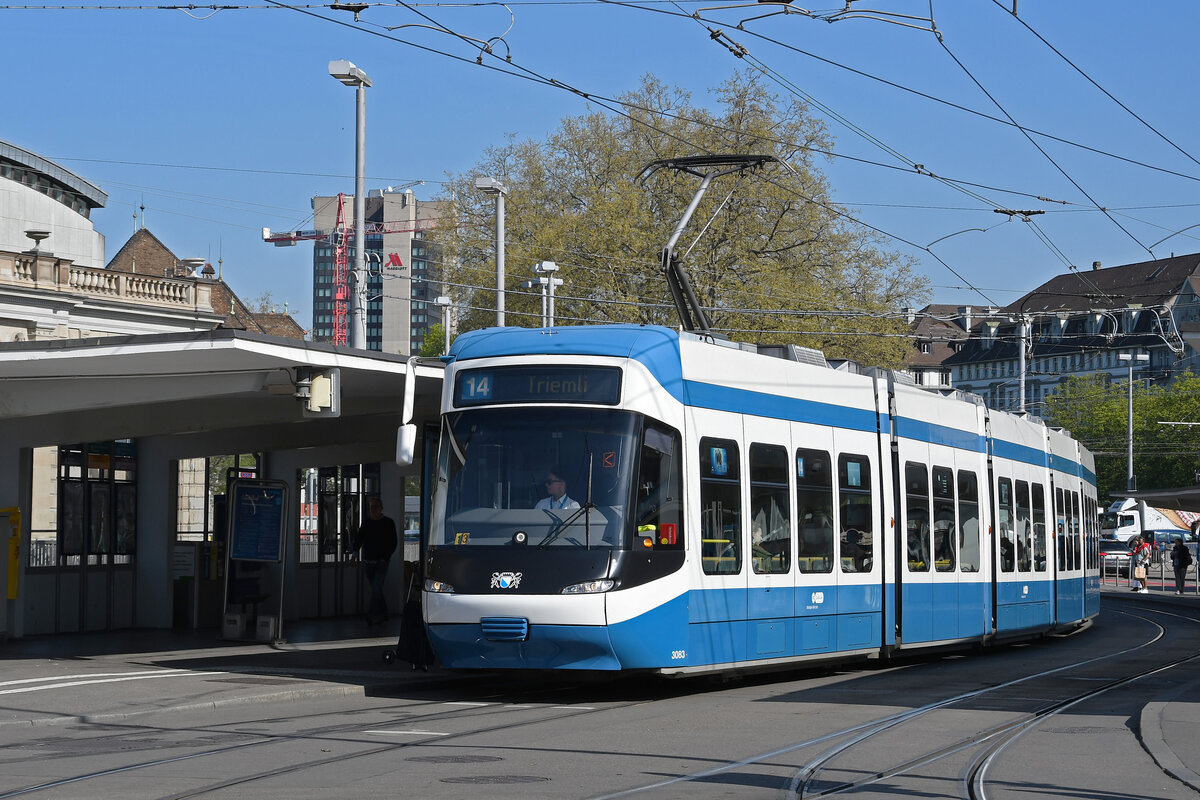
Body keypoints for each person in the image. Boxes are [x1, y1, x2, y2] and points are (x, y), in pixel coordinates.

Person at [356, 496, 397, 624]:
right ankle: (384, 613)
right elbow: (359, 538)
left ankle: (372, 614)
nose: (372, 510)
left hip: (382, 562)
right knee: (376, 588)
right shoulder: (366, 523)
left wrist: (386, 557)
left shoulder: (388, 523)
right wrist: (354, 554)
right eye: (371, 507)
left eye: (375, 507)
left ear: (381, 508)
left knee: (376, 586)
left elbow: (393, 542)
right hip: (369, 561)